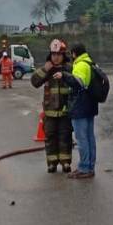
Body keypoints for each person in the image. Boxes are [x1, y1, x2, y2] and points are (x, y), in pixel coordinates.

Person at [31, 39, 74, 173]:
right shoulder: (47, 70)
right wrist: (45, 69)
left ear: (63, 55)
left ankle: (66, 162)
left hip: (65, 112)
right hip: (49, 113)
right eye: (54, 54)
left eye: (59, 54)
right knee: (50, 138)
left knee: (65, 137)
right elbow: (34, 81)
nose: (56, 57)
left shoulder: (69, 69)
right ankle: (52, 164)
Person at [62, 42, 98, 179]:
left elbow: (79, 83)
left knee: (82, 138)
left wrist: (64, 76)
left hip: (80, 107)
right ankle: (89, 166)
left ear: (74, 53)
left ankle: (84, 168)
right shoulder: (90, 63)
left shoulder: (81, 65)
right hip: (89, 106)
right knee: (89, 137)